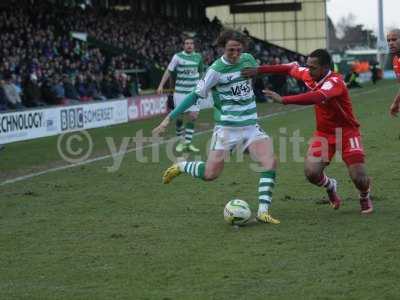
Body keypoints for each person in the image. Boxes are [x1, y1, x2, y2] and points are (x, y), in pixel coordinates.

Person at [153, 30, 280, 224]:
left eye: (238, 49)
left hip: (251, 128)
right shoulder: (215, 70)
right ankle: (181, 165)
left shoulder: (248, 60)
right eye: (231, 50)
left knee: (269, 161)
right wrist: (168, 119)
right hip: (227, 130)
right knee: (210, 174)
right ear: (223, 48)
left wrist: (258, 72)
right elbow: (193, 96)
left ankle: (263, 211)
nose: (235, 54)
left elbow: (257, 72)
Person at [242, 49, 373, 214]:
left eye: (313, 68)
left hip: (347, 133)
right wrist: (259, 70)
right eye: (308, 66)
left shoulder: (335, 82)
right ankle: (330, 186)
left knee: (359, 177)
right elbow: (289, 68)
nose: (308, 71)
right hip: (324, 134)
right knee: (312, 173)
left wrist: (284, 99)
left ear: (325, 68)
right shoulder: (310, 75)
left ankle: (364, 194)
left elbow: (317, 97)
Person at [157, 37, 204, 153]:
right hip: (180, 93)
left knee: (193, 116)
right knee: (179, 117)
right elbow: (169, 70)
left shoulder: (198, 57)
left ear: (194, 45)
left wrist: (203, 87)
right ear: (183, 45)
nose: (189, 45)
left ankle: (187, 143)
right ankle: (181, 142)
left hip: (194, 92)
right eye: (187, 43)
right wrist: (161, 85)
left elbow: (201, 73)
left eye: (191, 43)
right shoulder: (177, 57)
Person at [387, 29, 400, 117]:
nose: (391, 43)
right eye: (389, 40)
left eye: (394, 39)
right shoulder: (395, 60)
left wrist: (395, 103)